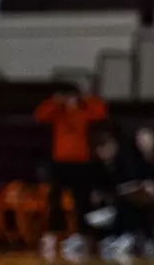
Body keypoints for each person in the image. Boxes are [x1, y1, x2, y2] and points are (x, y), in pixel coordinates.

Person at [35, 82, 108, 259]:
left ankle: (84, 235)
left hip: (81, 163)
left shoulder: (84, 111)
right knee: (55, 200)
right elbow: (40, 115)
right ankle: (53, 234)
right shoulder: (58, 112)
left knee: (82, 200)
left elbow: (101, 112)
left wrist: (85, 99)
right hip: (60, 162)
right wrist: (55, 101)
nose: (70, 100)